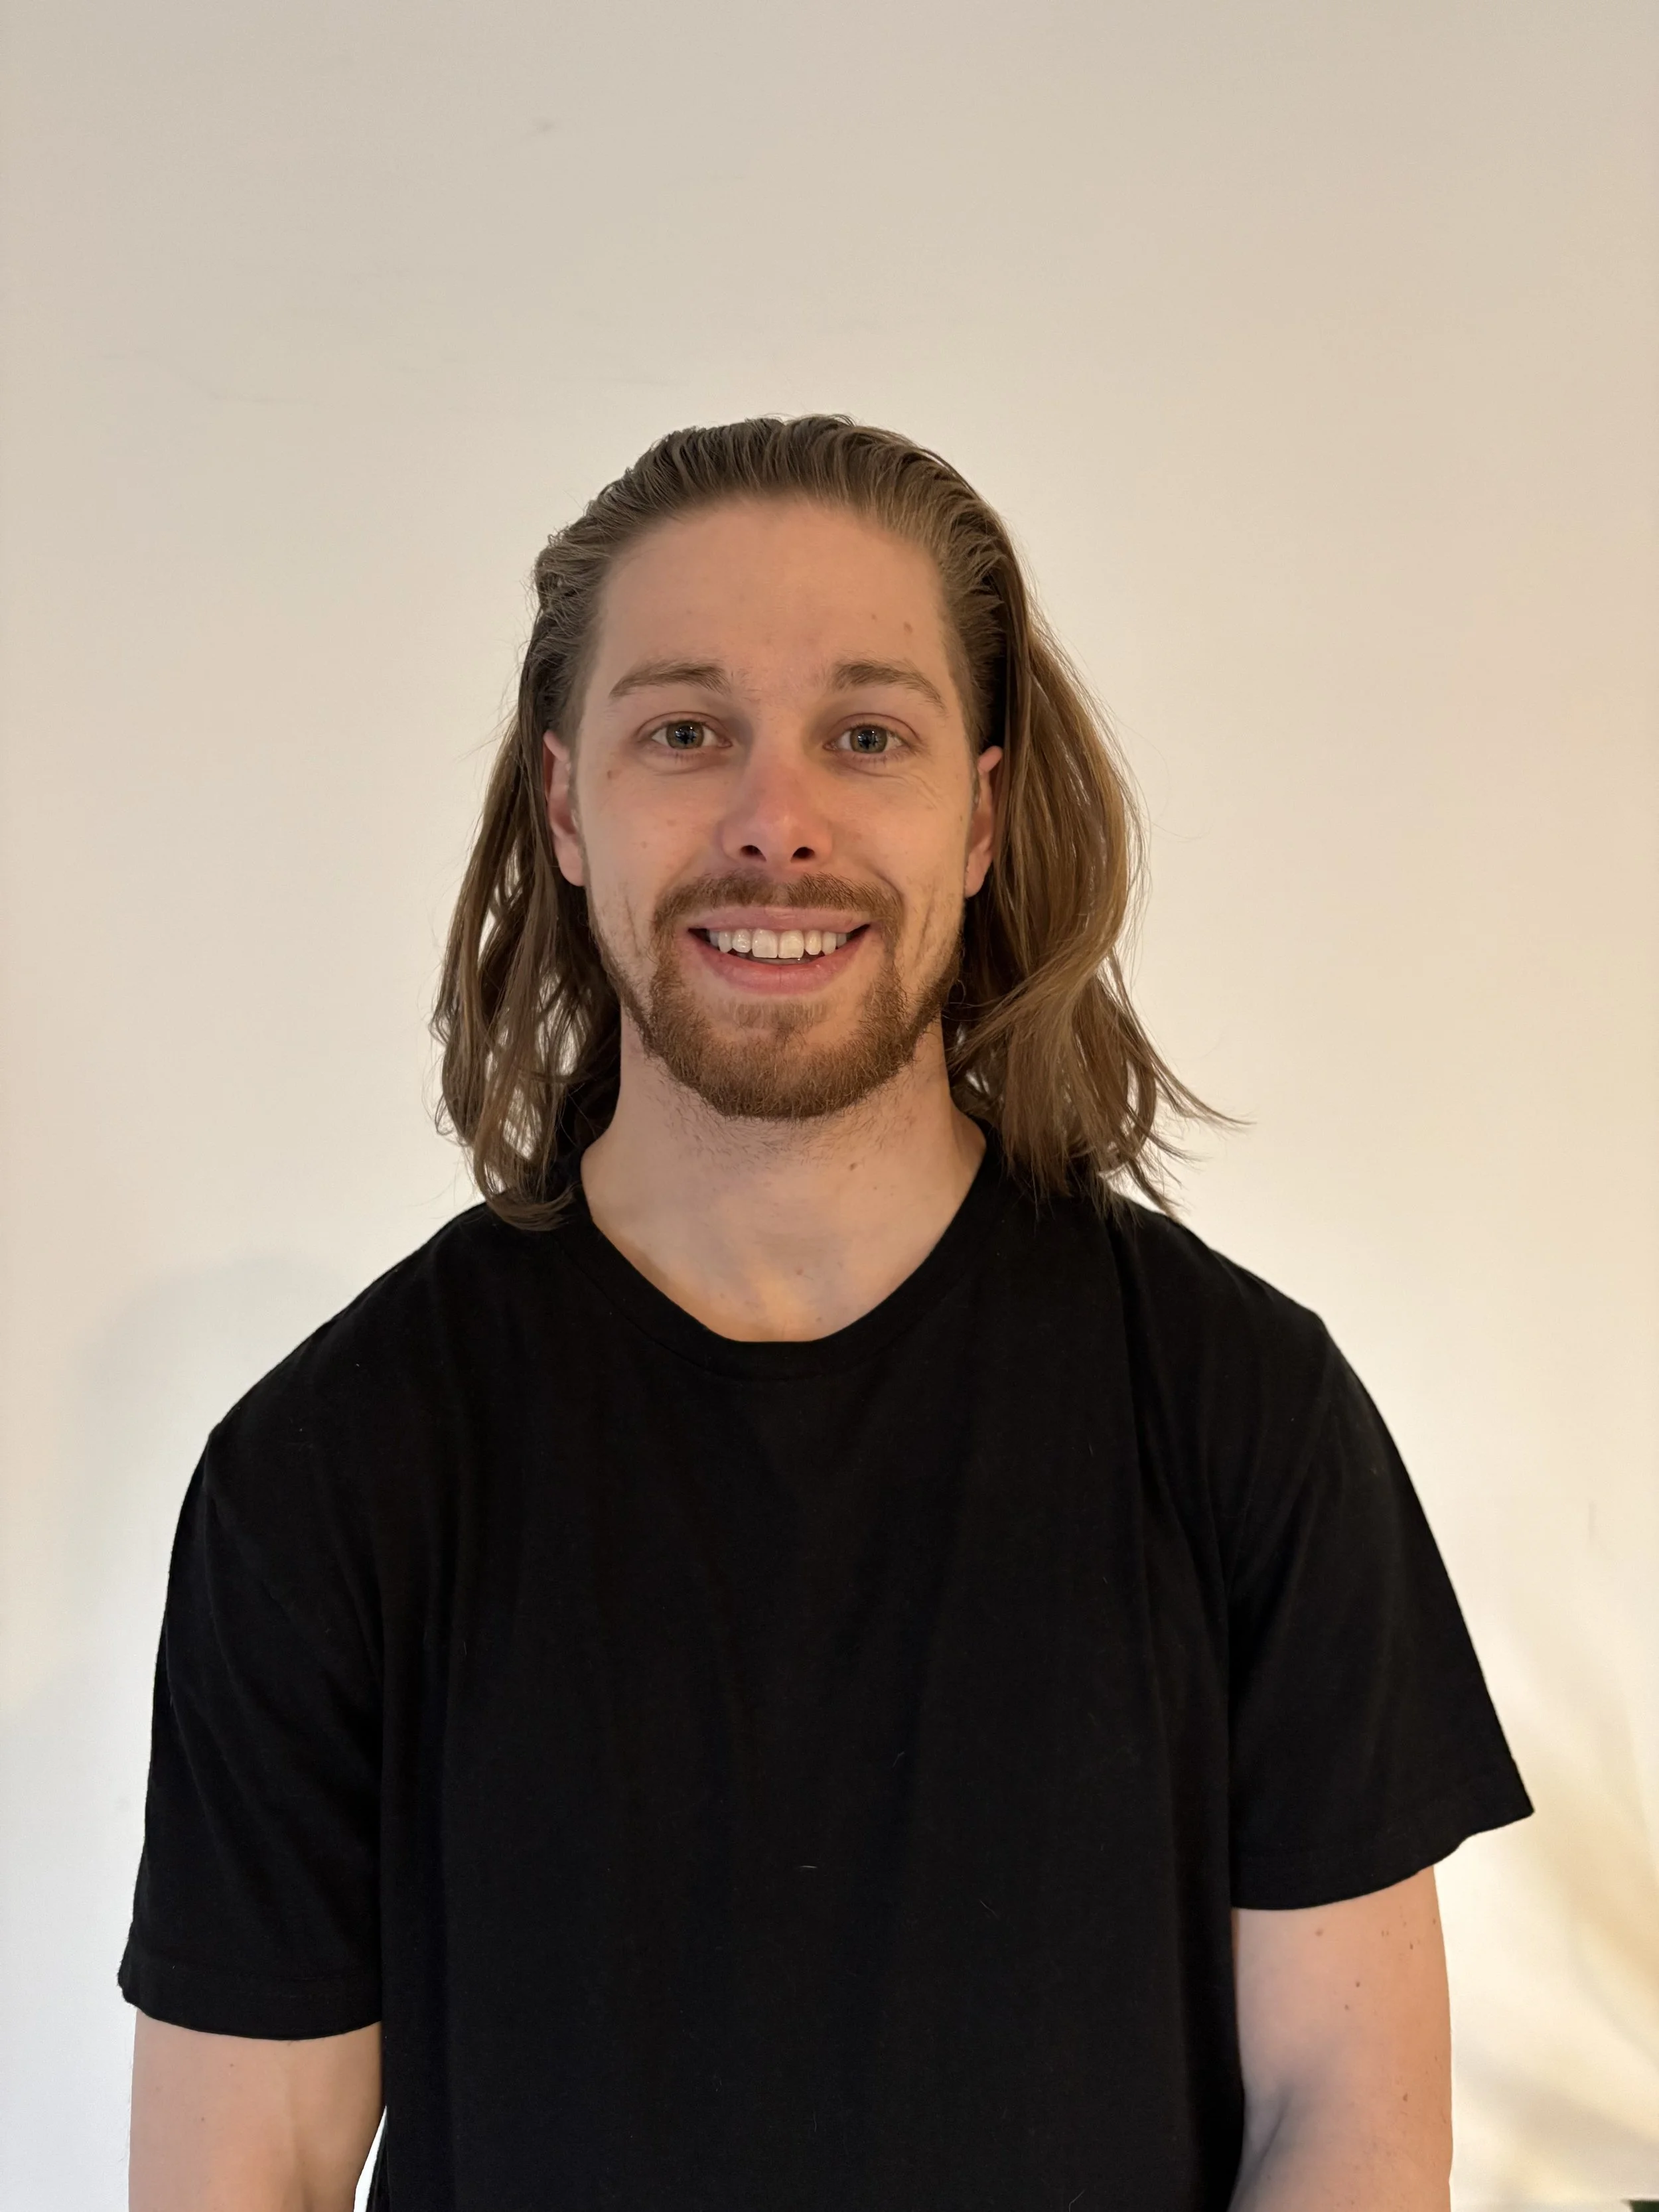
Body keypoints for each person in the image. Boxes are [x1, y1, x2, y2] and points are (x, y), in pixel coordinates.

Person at [121, 415, 1530, 2211]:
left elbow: (1344, 2112)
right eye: (684, 731)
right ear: (565, 804)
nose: (773, 820)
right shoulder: (331, 1472)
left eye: (864, 735)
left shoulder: (1240, 1412)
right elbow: (251, 2164)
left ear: (979, 816)